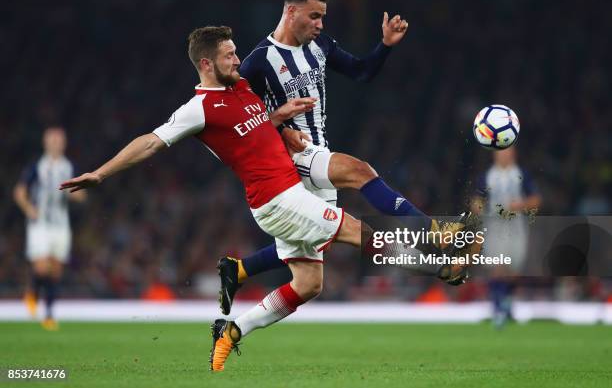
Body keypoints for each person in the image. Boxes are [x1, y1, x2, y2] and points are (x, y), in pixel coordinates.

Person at [60, 26, 471, 371]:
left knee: (309, 284)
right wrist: (101, 172)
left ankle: (233, 329)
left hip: (289, 193)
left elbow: (254, 130)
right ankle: (441, 268)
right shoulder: (199, 108)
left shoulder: (240, 89)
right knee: (359, 233)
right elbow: (150, 143)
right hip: (278, 201)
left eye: (236, 52)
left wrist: (279, 121)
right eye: (228, 55)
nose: (238, 60)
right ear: (206, 63)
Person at [217, 0, 432, 314]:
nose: (320, 24)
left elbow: (360, 73)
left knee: (310, 261)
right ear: (291, 12)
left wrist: (385, 45)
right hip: (292, 160)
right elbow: (242, 122)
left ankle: (240, 272)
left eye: (322, 17)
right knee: (360, 175)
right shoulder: (259, 61)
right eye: (314, 16)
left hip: (319, 151)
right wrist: (281, 127)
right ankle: (432, 233)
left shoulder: (322, 46)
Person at [13, 127, 86, 330]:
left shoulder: (69, 167)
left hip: (61, 225)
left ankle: (49, 314)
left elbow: (81, 193)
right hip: (40, 224)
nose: (55, 143)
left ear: (64, 143)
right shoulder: (37, 166)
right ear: (46, 142)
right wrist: (29, 209)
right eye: (52, 139)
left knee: (55, 271)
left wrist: (77, 195)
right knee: (42, 267)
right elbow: (19, 191)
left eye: (58, 140)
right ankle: (33, 293)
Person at [471, 146, 541, 328]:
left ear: (513, 154)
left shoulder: (520, 175)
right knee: (497, 267)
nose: (503, 155)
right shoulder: (487, 176)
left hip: (516, 226)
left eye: (507, 152)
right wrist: (477, 208)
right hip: (495, 225)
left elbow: (535, 200)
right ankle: (497, 310)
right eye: (501, 152)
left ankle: (507, 307)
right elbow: (477, 200)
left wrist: (520, 205)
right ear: (495, 155)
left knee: (513, 271)